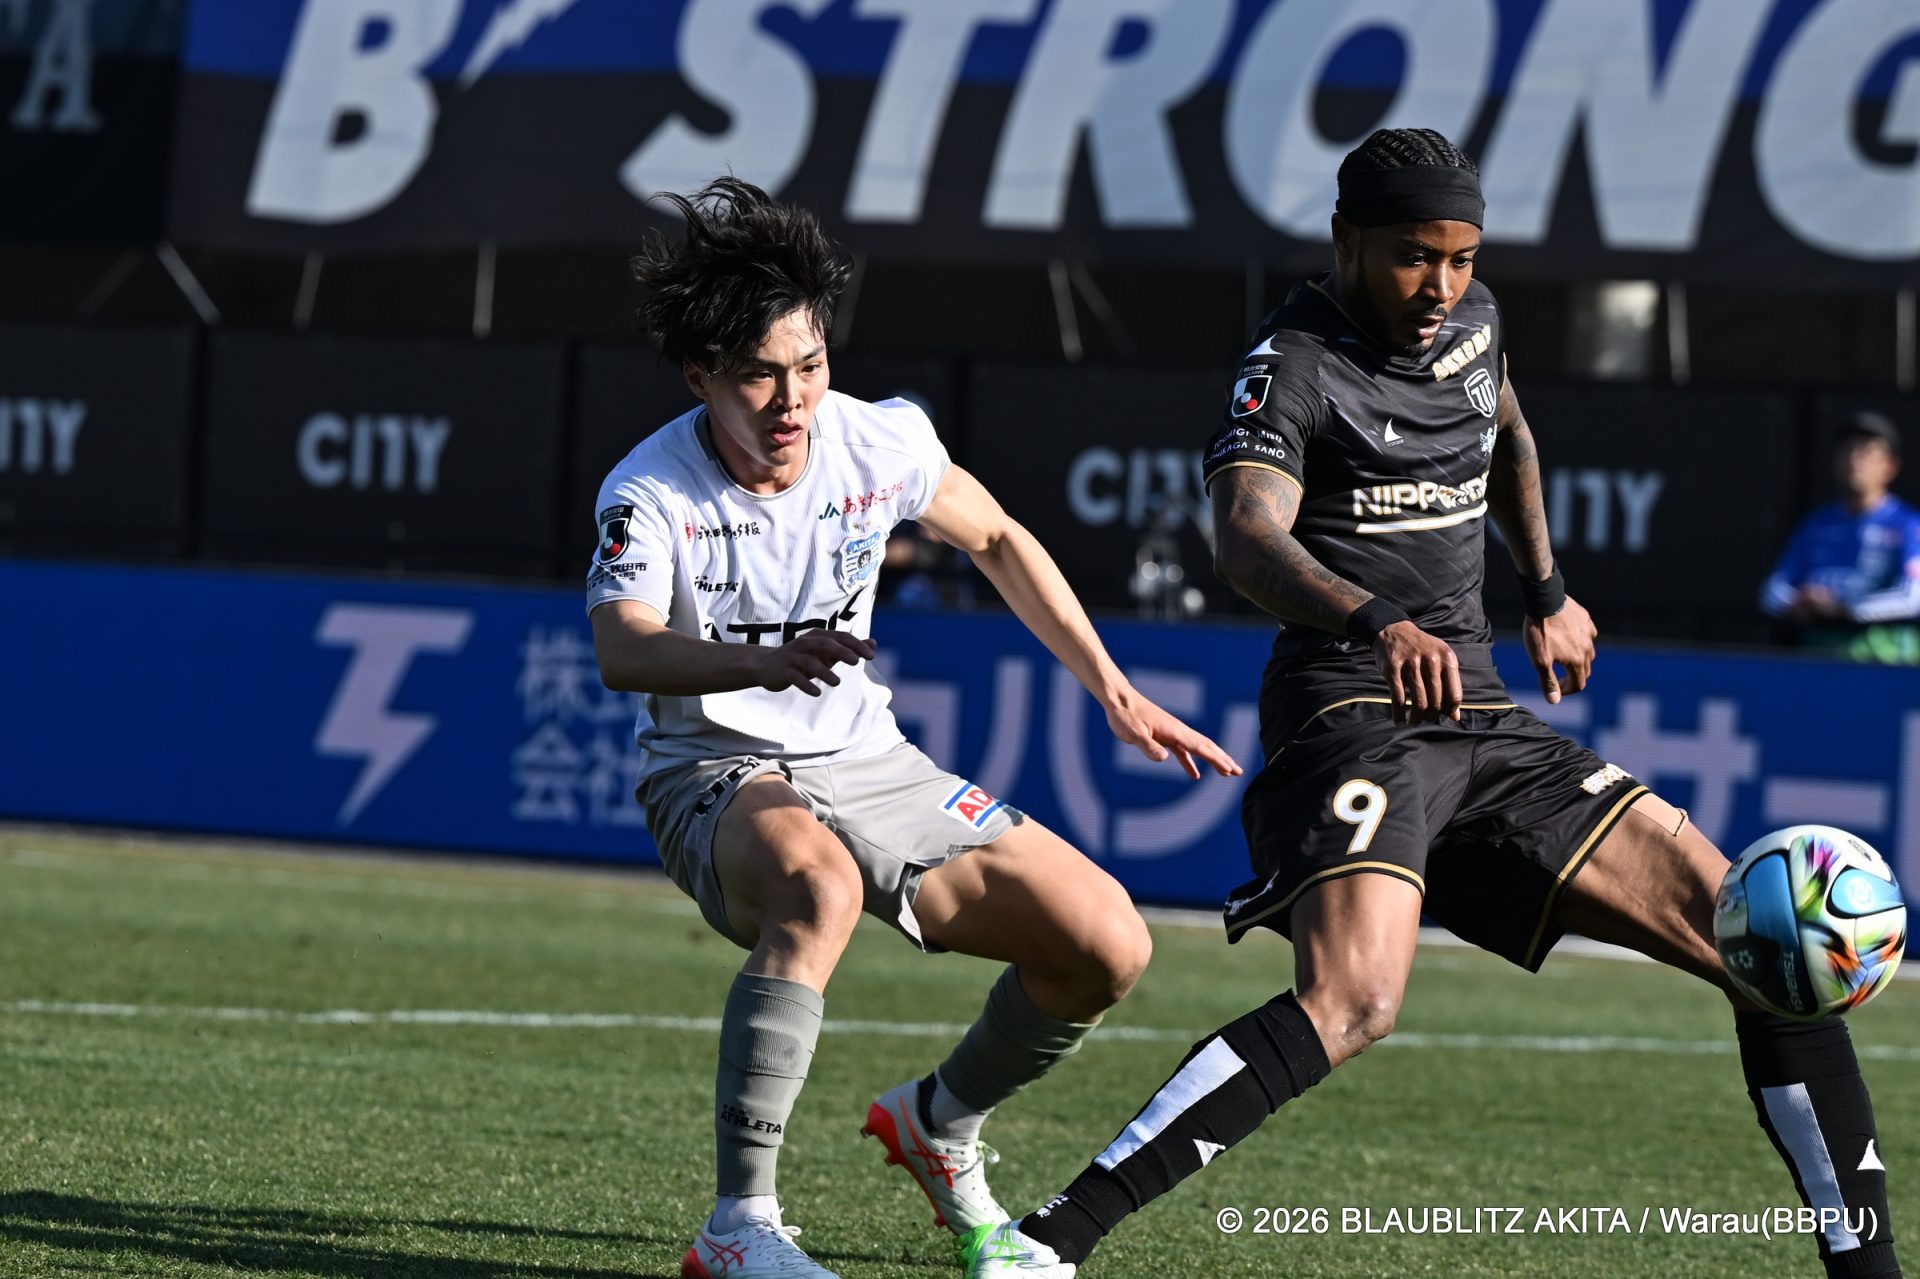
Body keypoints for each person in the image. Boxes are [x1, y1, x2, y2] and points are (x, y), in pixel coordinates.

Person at [962, 128, 1901, 1279]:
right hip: (1347, 710)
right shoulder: (1291, 365)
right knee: (1354, 1001)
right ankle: (1048, 1243)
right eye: (1414, 256)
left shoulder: (1474, 324)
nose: (1441, 286)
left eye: (1461, 258)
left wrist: (1546, 592)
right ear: (1346, 239)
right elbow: (1244, 537)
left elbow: (1508, 435)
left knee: (1761, 942)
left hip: (1480, 710)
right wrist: (1377, 621)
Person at [585, 178, 1241, 1279]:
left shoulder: (875, 440)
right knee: (819, 888)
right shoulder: (650, 492)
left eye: (809, 364)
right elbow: (625, 647)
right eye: (757, 375)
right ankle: (738, 1228)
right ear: (701, 376)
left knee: (1105, 944)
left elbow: (998, 538)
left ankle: (938, 1123)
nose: (792, 400)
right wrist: (757, 663)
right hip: (714, 765)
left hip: (866, 759)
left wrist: (1114, 691)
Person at [1761, 412, 1920, 664]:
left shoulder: (1907, 524)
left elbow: (1912, 598)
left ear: (1890, 466)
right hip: (1817, 663)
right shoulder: (1816, 524)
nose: (1854, 459)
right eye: (1847, 450)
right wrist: (1800, 603)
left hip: (1884, 665)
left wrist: (1845, 608)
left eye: (1866, 451)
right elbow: (1772, 592)